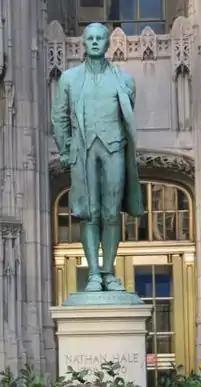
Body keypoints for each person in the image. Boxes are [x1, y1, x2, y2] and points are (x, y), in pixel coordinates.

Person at [52, 23, 143, 292]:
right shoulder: (69, 78)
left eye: (99, 38)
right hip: (84, 150)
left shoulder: (124, 79)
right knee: (88, 213)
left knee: (111, 212)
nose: (94, 42)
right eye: (89, 38)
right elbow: (59, 116)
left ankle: (109, 272)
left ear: (107, 44)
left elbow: (127, 113)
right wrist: (66, 149)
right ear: (83, 43)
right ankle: (93, 273)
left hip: (113, 148)